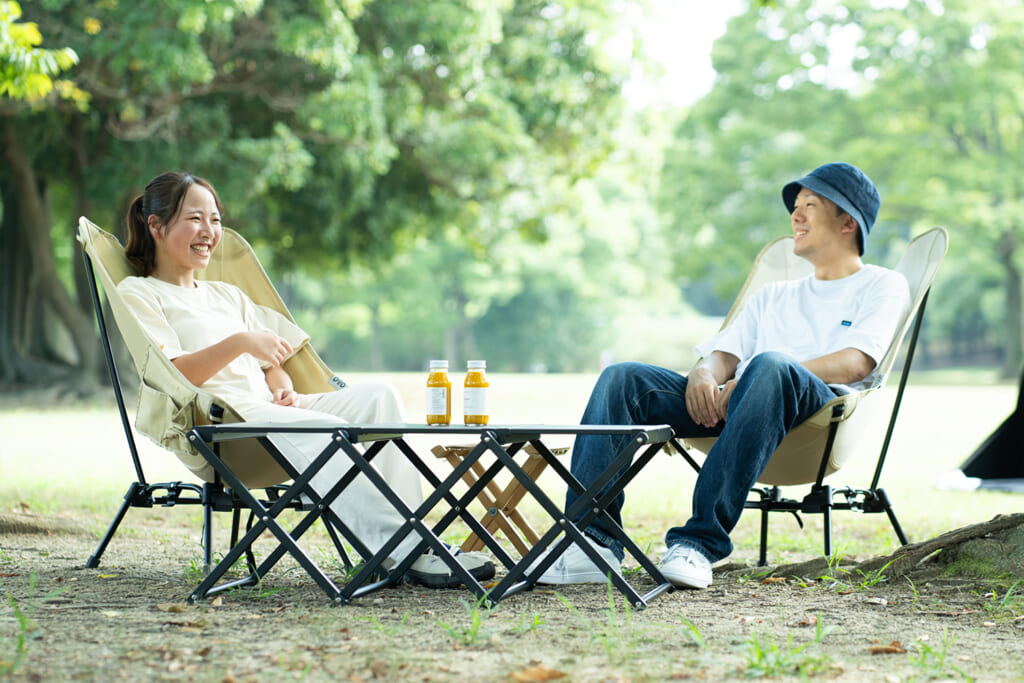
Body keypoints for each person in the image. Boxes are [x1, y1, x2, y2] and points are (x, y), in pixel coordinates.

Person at [536, 162, 911, 589]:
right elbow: (721, 356)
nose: (796, 215)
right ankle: (593, 542)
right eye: (796, 205)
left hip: (817, 418)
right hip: (736, 407)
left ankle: (698, 544)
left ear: (848, 223)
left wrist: (752, 377)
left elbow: (857, 362)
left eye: (811, 204)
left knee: (770, 365)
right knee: (624, 379)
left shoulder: (882, 284)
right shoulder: (775, 296)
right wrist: (702, 375)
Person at [119, 171, 494, 588]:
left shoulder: (226, 295)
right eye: (194, 219)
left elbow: (271, 358)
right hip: (224, 427)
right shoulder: (141, 293)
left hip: (273, 411)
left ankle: (408, 543)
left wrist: (280, 382)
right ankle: (406, 552)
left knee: (379, 399)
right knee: (331, 432)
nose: (209, 231)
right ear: (156, 226)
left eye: (216, 220)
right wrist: (242, 341)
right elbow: (174, 377)